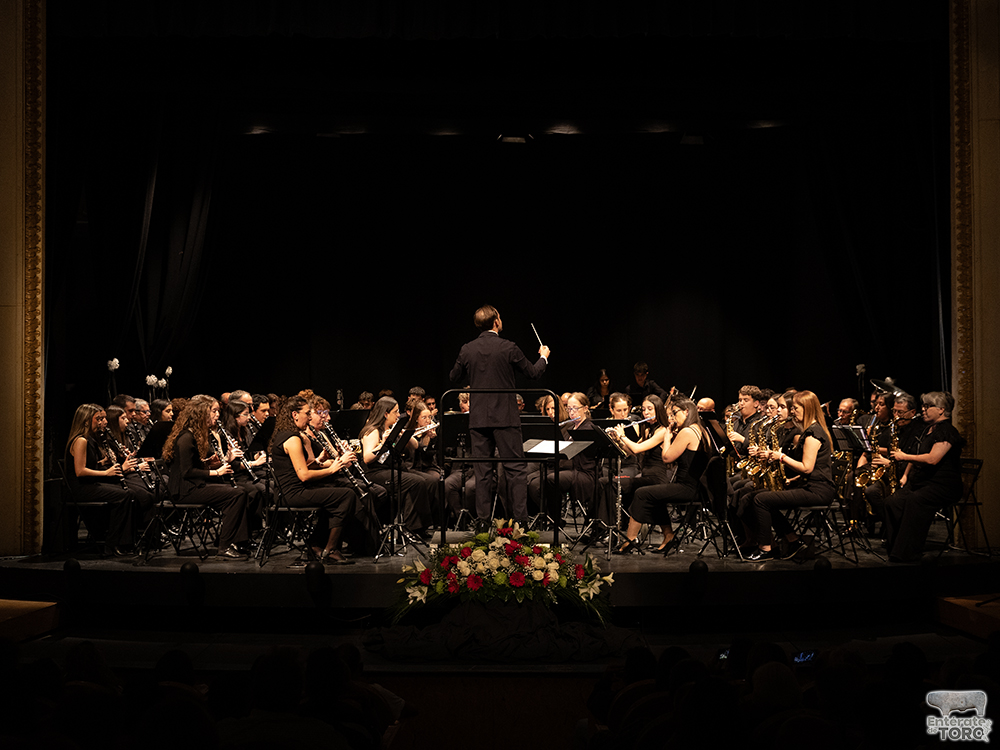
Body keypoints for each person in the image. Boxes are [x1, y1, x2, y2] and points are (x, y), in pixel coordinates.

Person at [449, 305, 549, 529]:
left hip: (478, 419)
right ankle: (520, 523)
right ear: (495, 322)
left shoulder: (468, 349)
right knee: (515, 470)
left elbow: (454, 377)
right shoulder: (508, 347)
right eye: (500, 317)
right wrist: (543, 357)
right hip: (505, 417)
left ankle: (483, 523)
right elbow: (533, 373)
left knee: (482, 471)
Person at [744, 390, 836, 561]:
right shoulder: (811, 430)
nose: (792, 412)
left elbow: (807, 468)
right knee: (755, 496)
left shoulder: (812, 434)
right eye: (792, 408)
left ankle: (766, 549)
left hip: (818, 491)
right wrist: (791, 480)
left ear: (807, 408)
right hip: (808, 485)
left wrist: (781, 457)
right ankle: (793, 541)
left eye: (795, 408)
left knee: (761, 500)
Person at [616, 398, 713, 555]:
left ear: (686, 412)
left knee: (642, 493)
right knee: (654, 495)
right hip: (697, 487)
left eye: (674, 414)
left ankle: (630, 540)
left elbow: (667, 458)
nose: (672, 418)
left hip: (689, 488)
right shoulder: (699, 429)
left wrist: (667, 438)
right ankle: (668, 536)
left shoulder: (687, 432)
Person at [270, 395, 359, 564]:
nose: (310, 417)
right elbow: (303, 475)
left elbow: (303, 467)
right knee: (346, 496)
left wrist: (320, 461)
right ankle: (330, 548)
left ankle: (316, 544)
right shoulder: (292, 439)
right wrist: (332, 468)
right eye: (307, 413)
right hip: (291, 494)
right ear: (295, 414)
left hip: (294, 490)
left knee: (338, 494)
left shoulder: (290, 435)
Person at [162, 395, 251, 559]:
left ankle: (238, 542)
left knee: (240, 491)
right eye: (214, 411)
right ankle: (224, 546)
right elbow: (186, 472)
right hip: (184, 491)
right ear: (201, 413)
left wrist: (213, 463)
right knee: (236, 494)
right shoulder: (186, 437)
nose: (218, 415)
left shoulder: (198, 435)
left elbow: (196, 465)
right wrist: (216, 472)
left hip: (196, 486)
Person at [883, 391, 966, 563]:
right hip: (924, 483)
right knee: (892, 502)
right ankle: (897, 547)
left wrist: (904, 457)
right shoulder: (928, 429)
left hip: (943, 485)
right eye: (923, 406)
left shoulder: (947, 431)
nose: (924, 409)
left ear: (942, 410)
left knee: (915, 500)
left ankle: (908, 552)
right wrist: (906, 474)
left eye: (928, 406)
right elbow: (916, 454)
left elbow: (933, 459)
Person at [64, 403, 135, 555]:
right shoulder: (81, 440)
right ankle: (113, 544)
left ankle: (114, 538)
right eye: (99, 419)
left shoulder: (89, 440)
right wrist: (106, 473)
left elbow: (89, 463)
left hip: (88, 485)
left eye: (104, 418)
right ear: (86, 421)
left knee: (125, 491)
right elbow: (80, 471)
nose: (104, 422)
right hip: (80, 489)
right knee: (124, 495)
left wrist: (104, 462)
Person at [359, 396, 432, 538]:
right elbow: (367, 458)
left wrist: (402, 434)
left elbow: (416, 445)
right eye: (395, 412)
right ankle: (411, 529)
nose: (399, 415)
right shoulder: (373, 431)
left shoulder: (392, 429)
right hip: (375, 473)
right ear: (386, 414)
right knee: (415, 482)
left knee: (426, 481)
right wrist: (383, 444)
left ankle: (420, 527)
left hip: (390, 469)